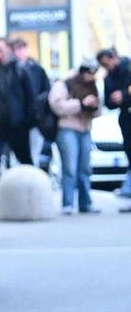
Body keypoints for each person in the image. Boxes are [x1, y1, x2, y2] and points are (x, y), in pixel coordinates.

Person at [0, 37, 34, 199]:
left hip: (17, 124)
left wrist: (28, 121)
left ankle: (31, 194)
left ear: (8, 50)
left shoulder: (21, 71)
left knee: (25, 160)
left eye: (0, 50)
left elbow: (30, 97)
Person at [48, 60, 103, 215]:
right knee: (70, 167)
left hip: (85, 129)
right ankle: (68, 203)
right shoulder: (64, 85)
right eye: (87, 73)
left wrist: (94, 106)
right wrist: (80, 104)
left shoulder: (92, 87)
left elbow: (98, 111)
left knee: (84, 168)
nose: (89, 77)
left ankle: (86, 202)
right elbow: (57, 105)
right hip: (67, 128)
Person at [11, 38, 54, 170]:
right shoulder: (9, 71)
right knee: (16, 156)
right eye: (16, 49)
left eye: (21, 49)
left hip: (34, 119)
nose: (18, 53)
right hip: (16, 121)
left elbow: (46, 92)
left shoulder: (37, 70)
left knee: (34, 153)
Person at [97, 48, 131, 200]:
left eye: (107, 63)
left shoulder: (128, 68)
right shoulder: (108, 78)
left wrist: (123, 95)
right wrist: (114, 99)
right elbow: (109, 103)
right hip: (125, 118)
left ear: (114, 58)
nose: (107, 67)